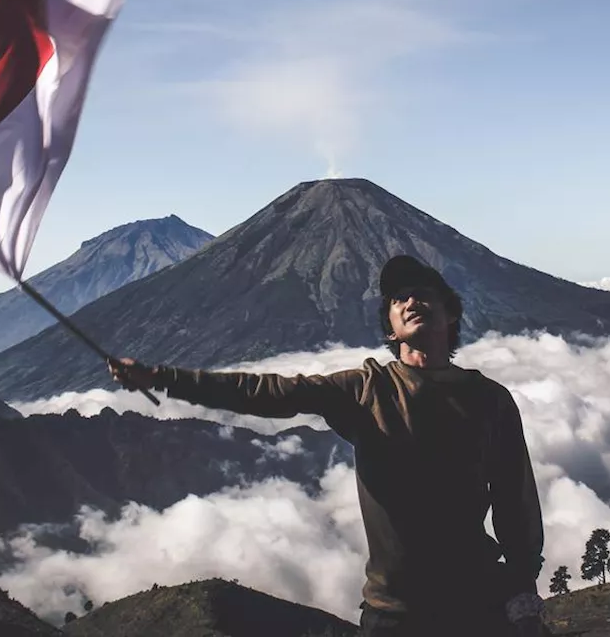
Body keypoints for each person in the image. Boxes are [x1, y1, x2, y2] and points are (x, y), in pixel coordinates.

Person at [107, 255, 549, 636]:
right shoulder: (366, 389)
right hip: (394, 613)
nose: (411, 301)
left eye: (423, 293)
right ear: (391, 331)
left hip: (476, 603)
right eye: (398, 300)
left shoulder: (489, 399)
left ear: (451, 315)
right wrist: (164, 378)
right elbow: (268, 391)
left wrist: (523, 586)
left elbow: (514, 497)